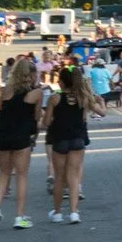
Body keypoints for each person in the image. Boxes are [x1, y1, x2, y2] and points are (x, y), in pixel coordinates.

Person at [0, 56, 41, 229]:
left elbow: (1, 109)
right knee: (22, 175)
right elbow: (37, 117)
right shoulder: (36, 93)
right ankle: (19, 216)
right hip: (21, 136)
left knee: (3, 173)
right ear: (31, 75)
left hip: (2, 135)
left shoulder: (6, 90)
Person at [41, 61, 98, 224]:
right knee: (74, 177)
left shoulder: (55, 98)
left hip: (59, 139)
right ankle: (74, 212)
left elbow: (46, 122)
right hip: (78, 139)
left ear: (61, 82)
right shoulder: (82, 97)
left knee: (59, 177)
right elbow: (96, 112)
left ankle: (58, 213)